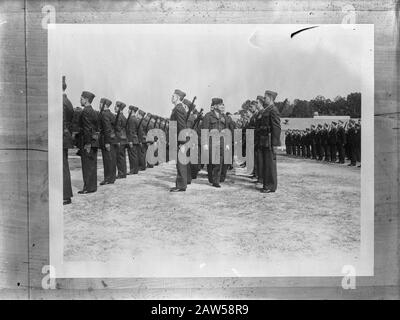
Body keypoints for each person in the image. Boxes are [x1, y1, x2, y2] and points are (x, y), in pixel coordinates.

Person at [258, 90, 281, 193]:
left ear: (271, 98)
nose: (264, 99)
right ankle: (266, 184)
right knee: (265, 163)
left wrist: (275, 144)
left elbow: (276, 128)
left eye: (265, 97)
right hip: (264, 140)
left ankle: (270, 186)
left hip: (269, 140)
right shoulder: (267, 109)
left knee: (269, 163)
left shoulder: (273, 110)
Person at [201, 98, 227, 188]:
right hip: (211, 142)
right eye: (220, 105)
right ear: (215, 106)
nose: (222, 106)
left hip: (221, 142)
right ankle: (211, 177)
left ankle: (216, 181)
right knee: (211, 161)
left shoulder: (223, 117)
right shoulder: (208, 116)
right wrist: (204, 144)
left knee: (219, 161)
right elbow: (204, 130)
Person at [77, 91, 99, 194]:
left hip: (88, 143)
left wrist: (87, 143)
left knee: (87, 165)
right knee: (92, 165)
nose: (80, 100)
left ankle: (88, 188)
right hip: (94, 142)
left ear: (86, 100)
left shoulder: (85, 111)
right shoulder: (94, 111)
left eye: (81, 99)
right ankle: (92, 187)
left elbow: (86, 129)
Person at [169, 89, 188, 192]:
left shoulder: (179, 109)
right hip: (178, 140)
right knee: (180, 163)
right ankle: (181, 185)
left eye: (173, 96)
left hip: (180, 141)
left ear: (177, 97)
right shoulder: (178, 108)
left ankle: (181, 186)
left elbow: (181, 126)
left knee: (180, 164)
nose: (171, 98)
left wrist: (182, 143)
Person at [99, 98, 118, 185]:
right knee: (112, 159)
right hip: (112, 139)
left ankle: (107, 178)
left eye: (100, 103)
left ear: (104, 105)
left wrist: (106, 142)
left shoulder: (104, 114)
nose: (99, 105)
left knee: (107, 160)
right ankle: (112, 178)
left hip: (107, 140)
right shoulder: (111, 114)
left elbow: (106, 129)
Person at [62, 76, 74, 205]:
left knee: (62, 167)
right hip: (65, 137)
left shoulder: (61, 101)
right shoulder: (67, 101)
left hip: (60, 137)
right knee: (63, 166)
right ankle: (65, 194)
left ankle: (65, 195)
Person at [114, 101, 128, 178]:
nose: (114, 108)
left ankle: (121, 173)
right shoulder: (124, 117)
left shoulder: (118, 117)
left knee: (119, 158)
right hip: (123, 139)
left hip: (119, 139)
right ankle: (123, 173)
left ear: (119, 108)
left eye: (116, 106)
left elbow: (118, 130)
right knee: (122, 157)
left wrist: (118, 140)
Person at [126, 106, 141, 175]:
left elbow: (131, 131)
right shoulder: (136, 119)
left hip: (132, 140)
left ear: (132, 111)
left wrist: (130, 141)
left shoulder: (131, 119)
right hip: (136, 139)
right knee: (135, 156)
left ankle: (133, 170)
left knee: (132, 156)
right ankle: (135, 170)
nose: (128, 110)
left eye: (129, 110)